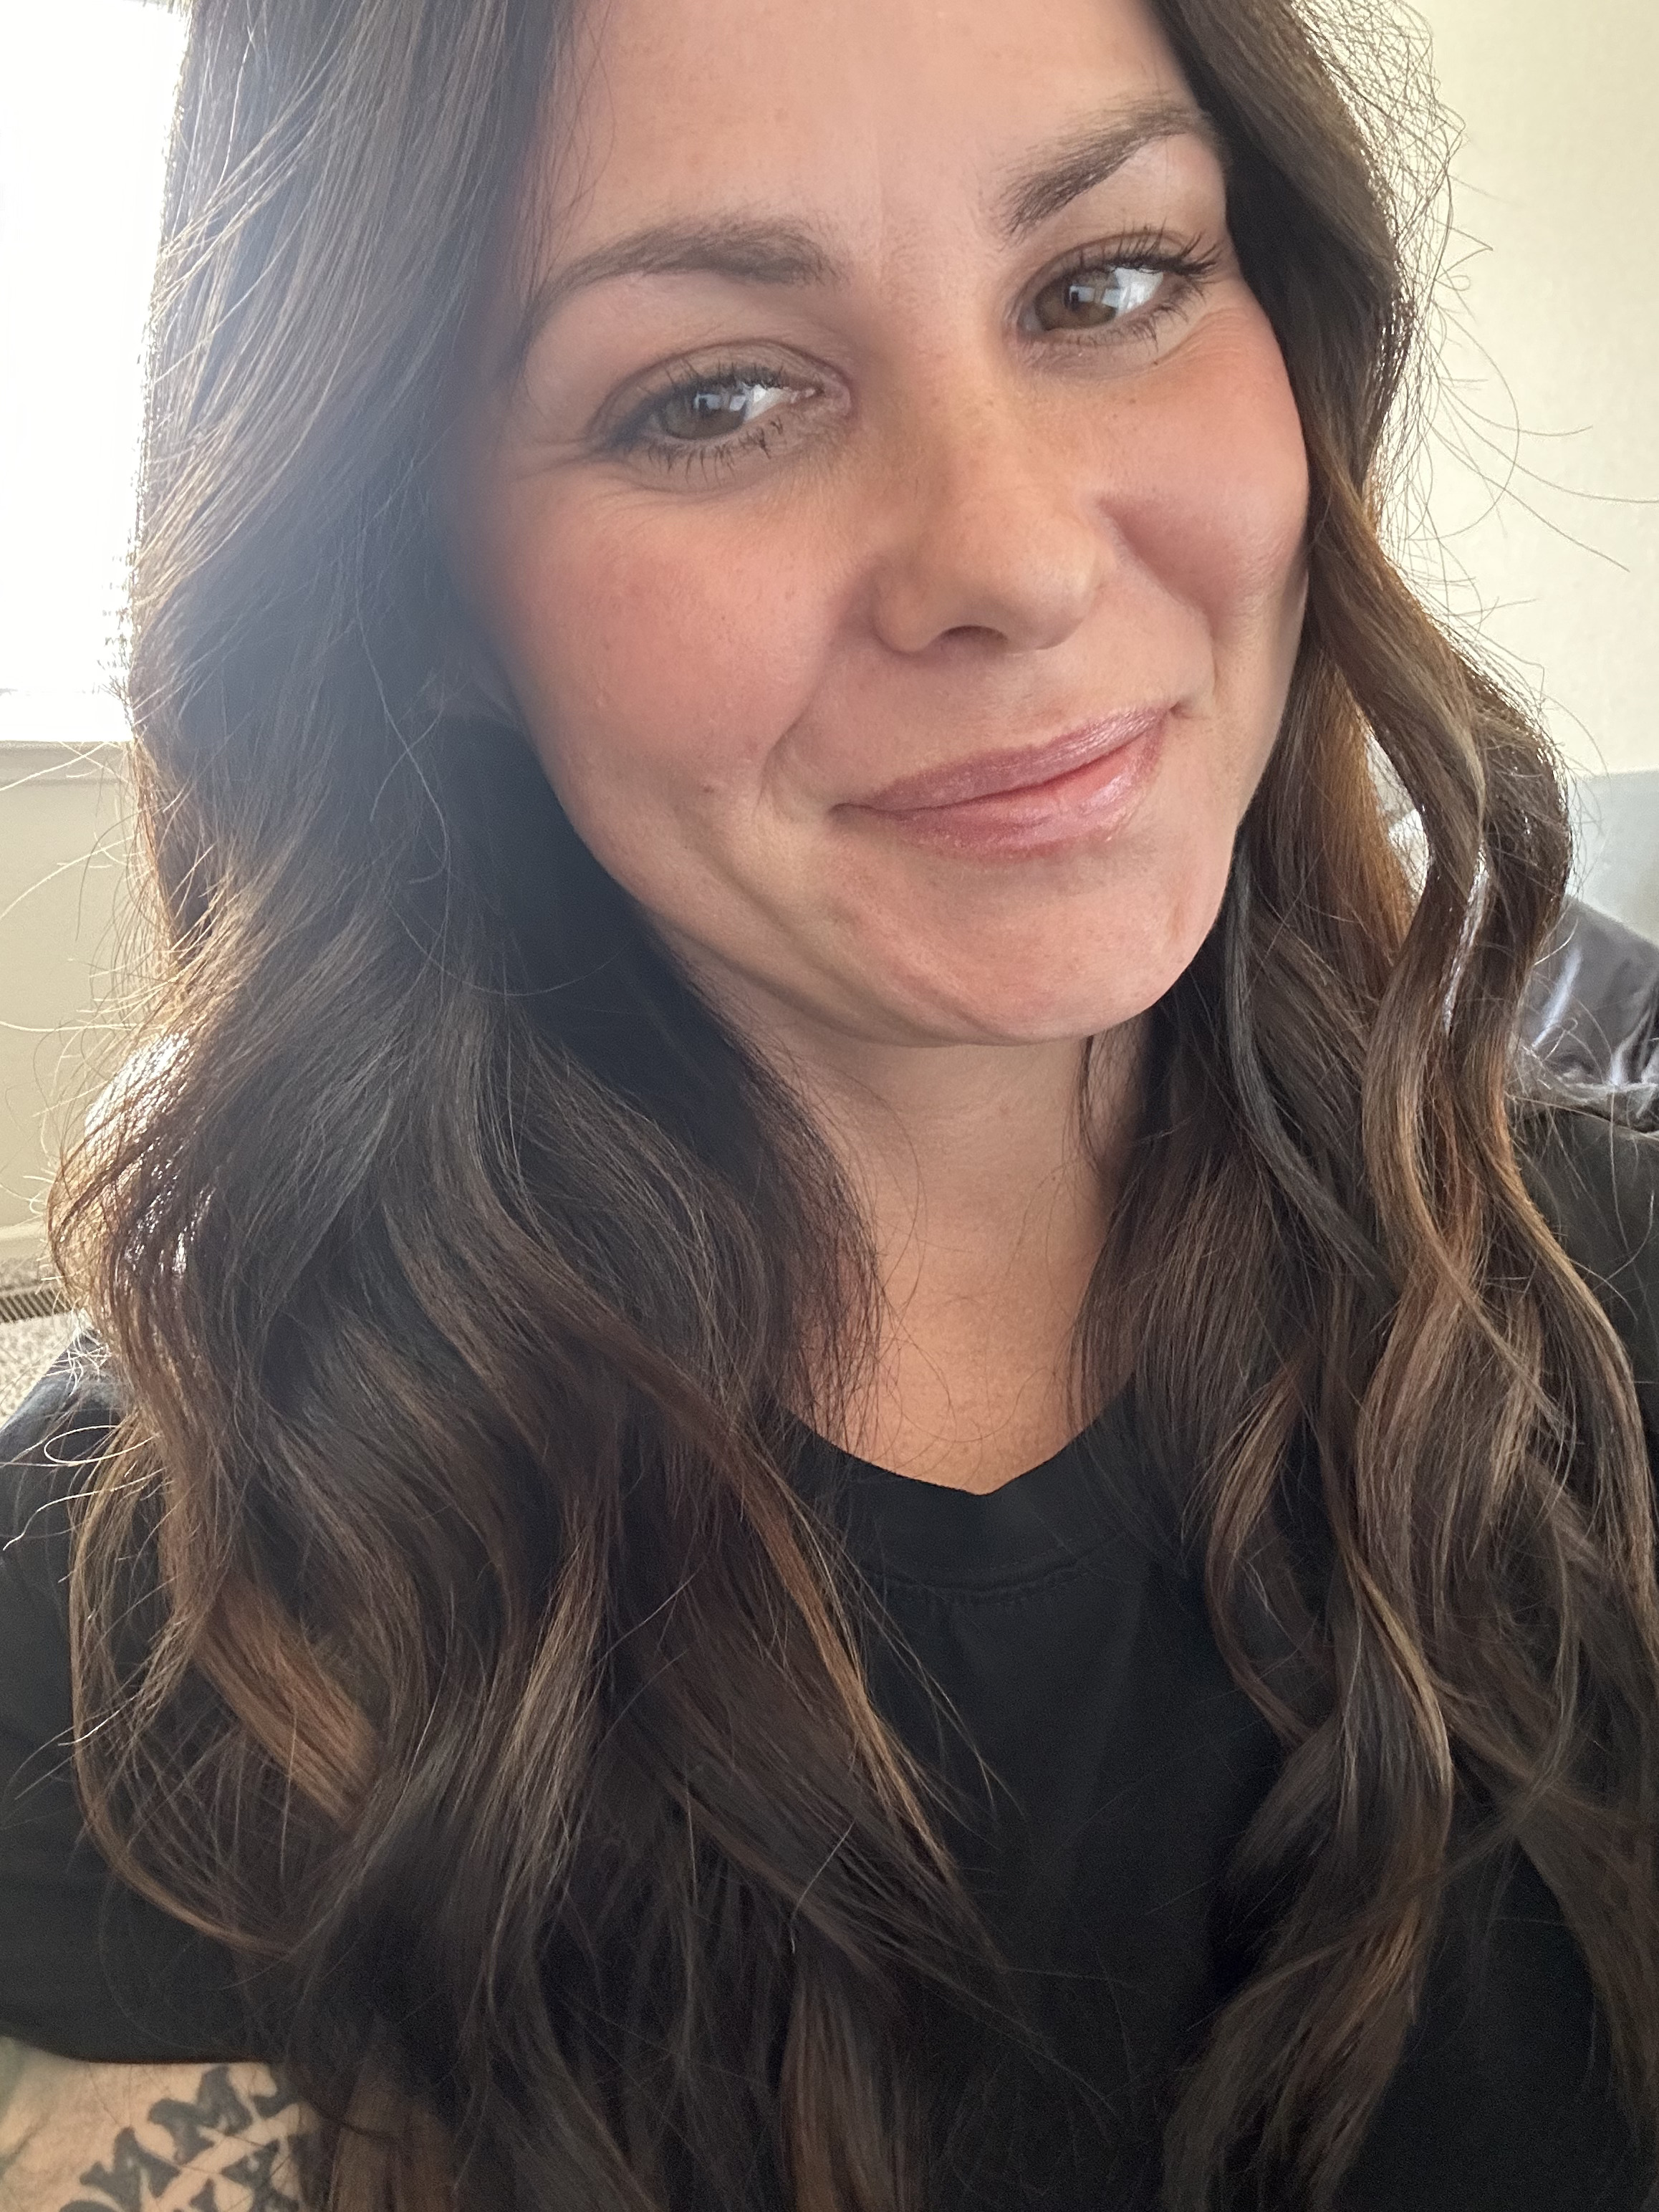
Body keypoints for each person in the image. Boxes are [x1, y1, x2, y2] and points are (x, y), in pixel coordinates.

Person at [3, 0, 1658, 2207]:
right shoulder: (126, 1627)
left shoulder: (1614, 1319)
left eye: (1107, 282)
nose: (1016, 561)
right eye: (713, 397)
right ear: (416, 596)